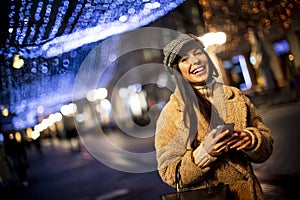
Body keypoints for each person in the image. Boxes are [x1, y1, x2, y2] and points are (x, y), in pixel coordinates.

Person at [155, 33, 273, 199]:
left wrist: (252, 139)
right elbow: (169, 173)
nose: (195, 61)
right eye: (184, 59)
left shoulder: (235, 96)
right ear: (177, 70)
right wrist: (204, 152)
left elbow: (267, 143)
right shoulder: (173, 112)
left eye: (198, 53)